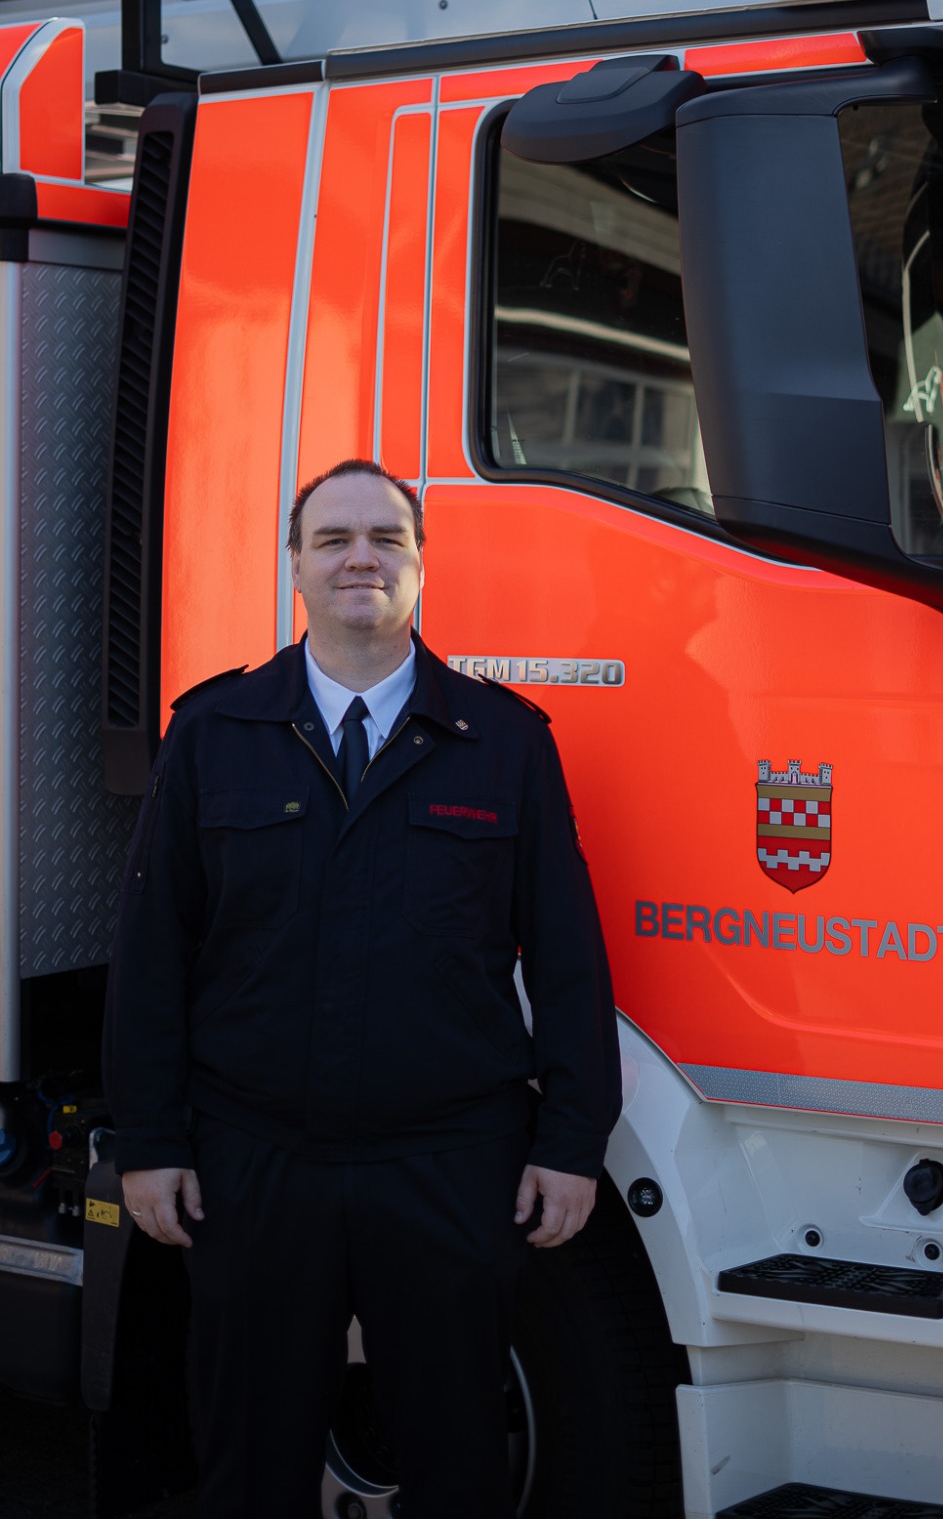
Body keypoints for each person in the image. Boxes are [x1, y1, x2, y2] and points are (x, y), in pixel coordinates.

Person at [104, 457, 621, 1519]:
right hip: (256, 1164)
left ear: (421, 564)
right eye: (333, 538)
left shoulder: (504, 740)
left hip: (446, 1165)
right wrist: (149, 1140)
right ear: (295, 563)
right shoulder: (213, 733)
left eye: (386, 538)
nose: (360, 558)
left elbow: (568, 956)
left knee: (458, 1466)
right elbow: (153, 952)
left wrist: (572, 1144)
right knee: (249, 1468)